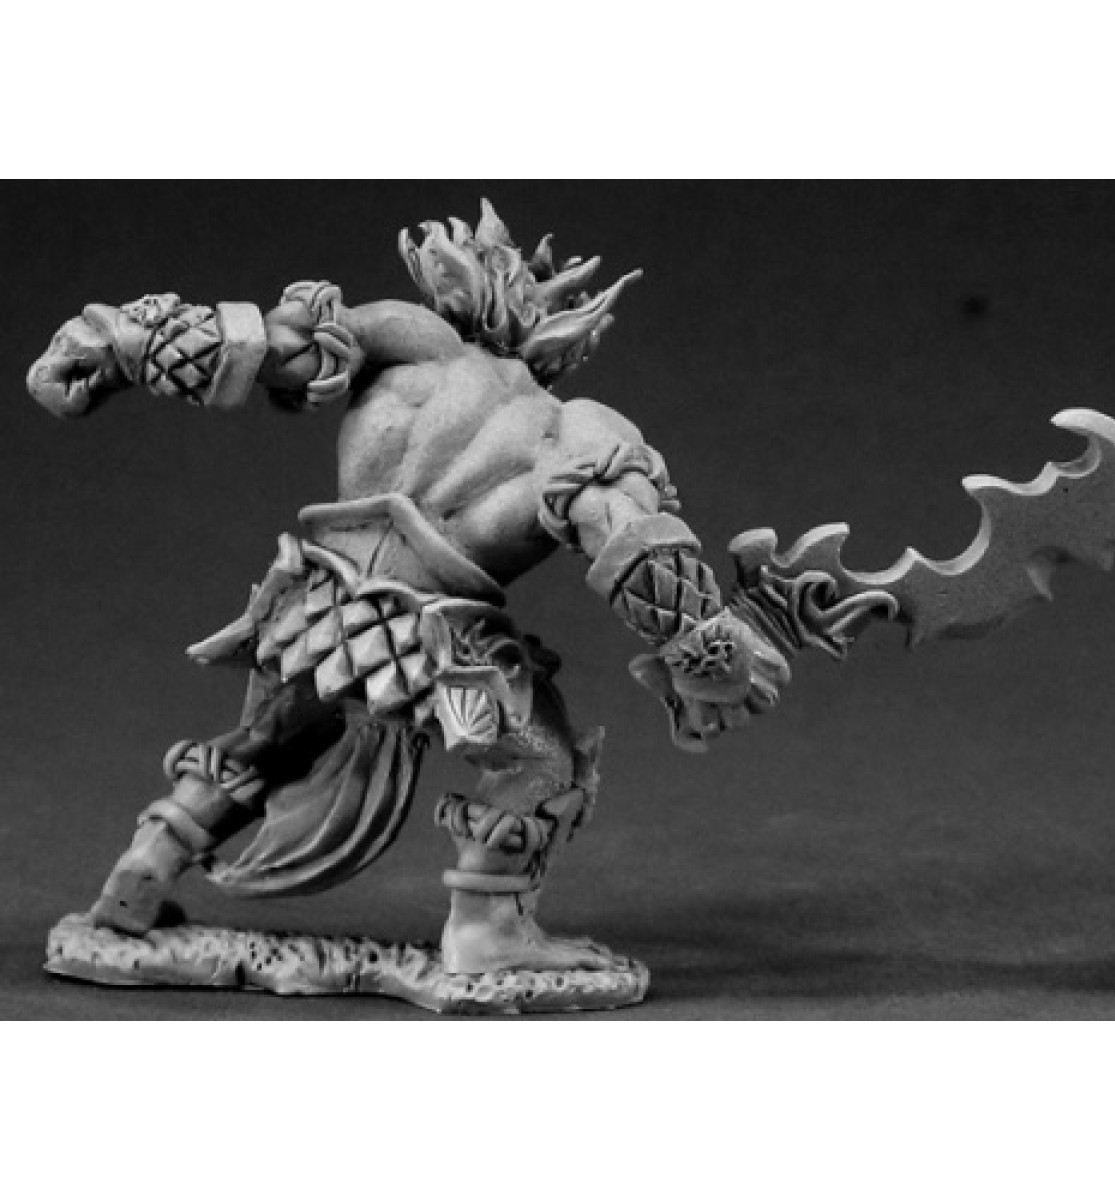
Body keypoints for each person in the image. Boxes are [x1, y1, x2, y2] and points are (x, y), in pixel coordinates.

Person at [26, 200, 794, 977]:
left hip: (312, 611)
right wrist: (706, 651)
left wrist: (119, 340)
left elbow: (262, 345)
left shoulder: (407, 338)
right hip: (434, 642)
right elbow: (619, 532)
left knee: (268, 743)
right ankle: (488, 932)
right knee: (543, 764)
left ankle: (142, 872)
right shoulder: (576, 428)